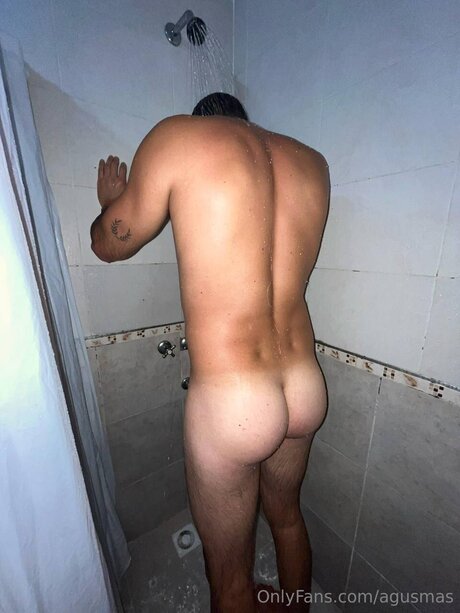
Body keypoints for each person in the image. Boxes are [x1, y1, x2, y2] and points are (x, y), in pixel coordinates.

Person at [91, 92, 330, 613]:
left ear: (203, 122)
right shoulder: (312, 163)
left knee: (229, 580)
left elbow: (108, 245)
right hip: (305, 384)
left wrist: (111, 203)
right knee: (288, 519)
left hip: (233, 402)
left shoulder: (177, 138)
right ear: (243, 121)